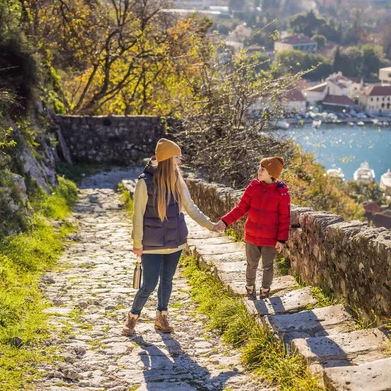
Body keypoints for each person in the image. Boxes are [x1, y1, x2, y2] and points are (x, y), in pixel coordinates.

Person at [122, 139, 217, 336]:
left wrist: (211, 225)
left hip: (175, 242)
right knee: (149, 284)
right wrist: (137, 243)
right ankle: (132, 318)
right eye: (176, 157)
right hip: (152, 244)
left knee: (167, 280)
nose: (179, 161)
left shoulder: (177, 180)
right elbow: (137, 214)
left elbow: (190, 207)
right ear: (167, 159)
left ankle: (161, 318)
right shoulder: (144, 182)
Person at [213, 157, 291, 300]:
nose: (259, 171)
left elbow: (284, 219)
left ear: (272, 174)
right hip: (252, 235)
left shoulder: (282, 193)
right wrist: (224, 222)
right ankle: (250, 289)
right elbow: (241, 208)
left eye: (262, 169)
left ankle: (265, 291)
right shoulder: (254, 187)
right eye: (259, 168)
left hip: (270, 238)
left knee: (268, 266)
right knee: (251, 264)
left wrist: (281, 239)